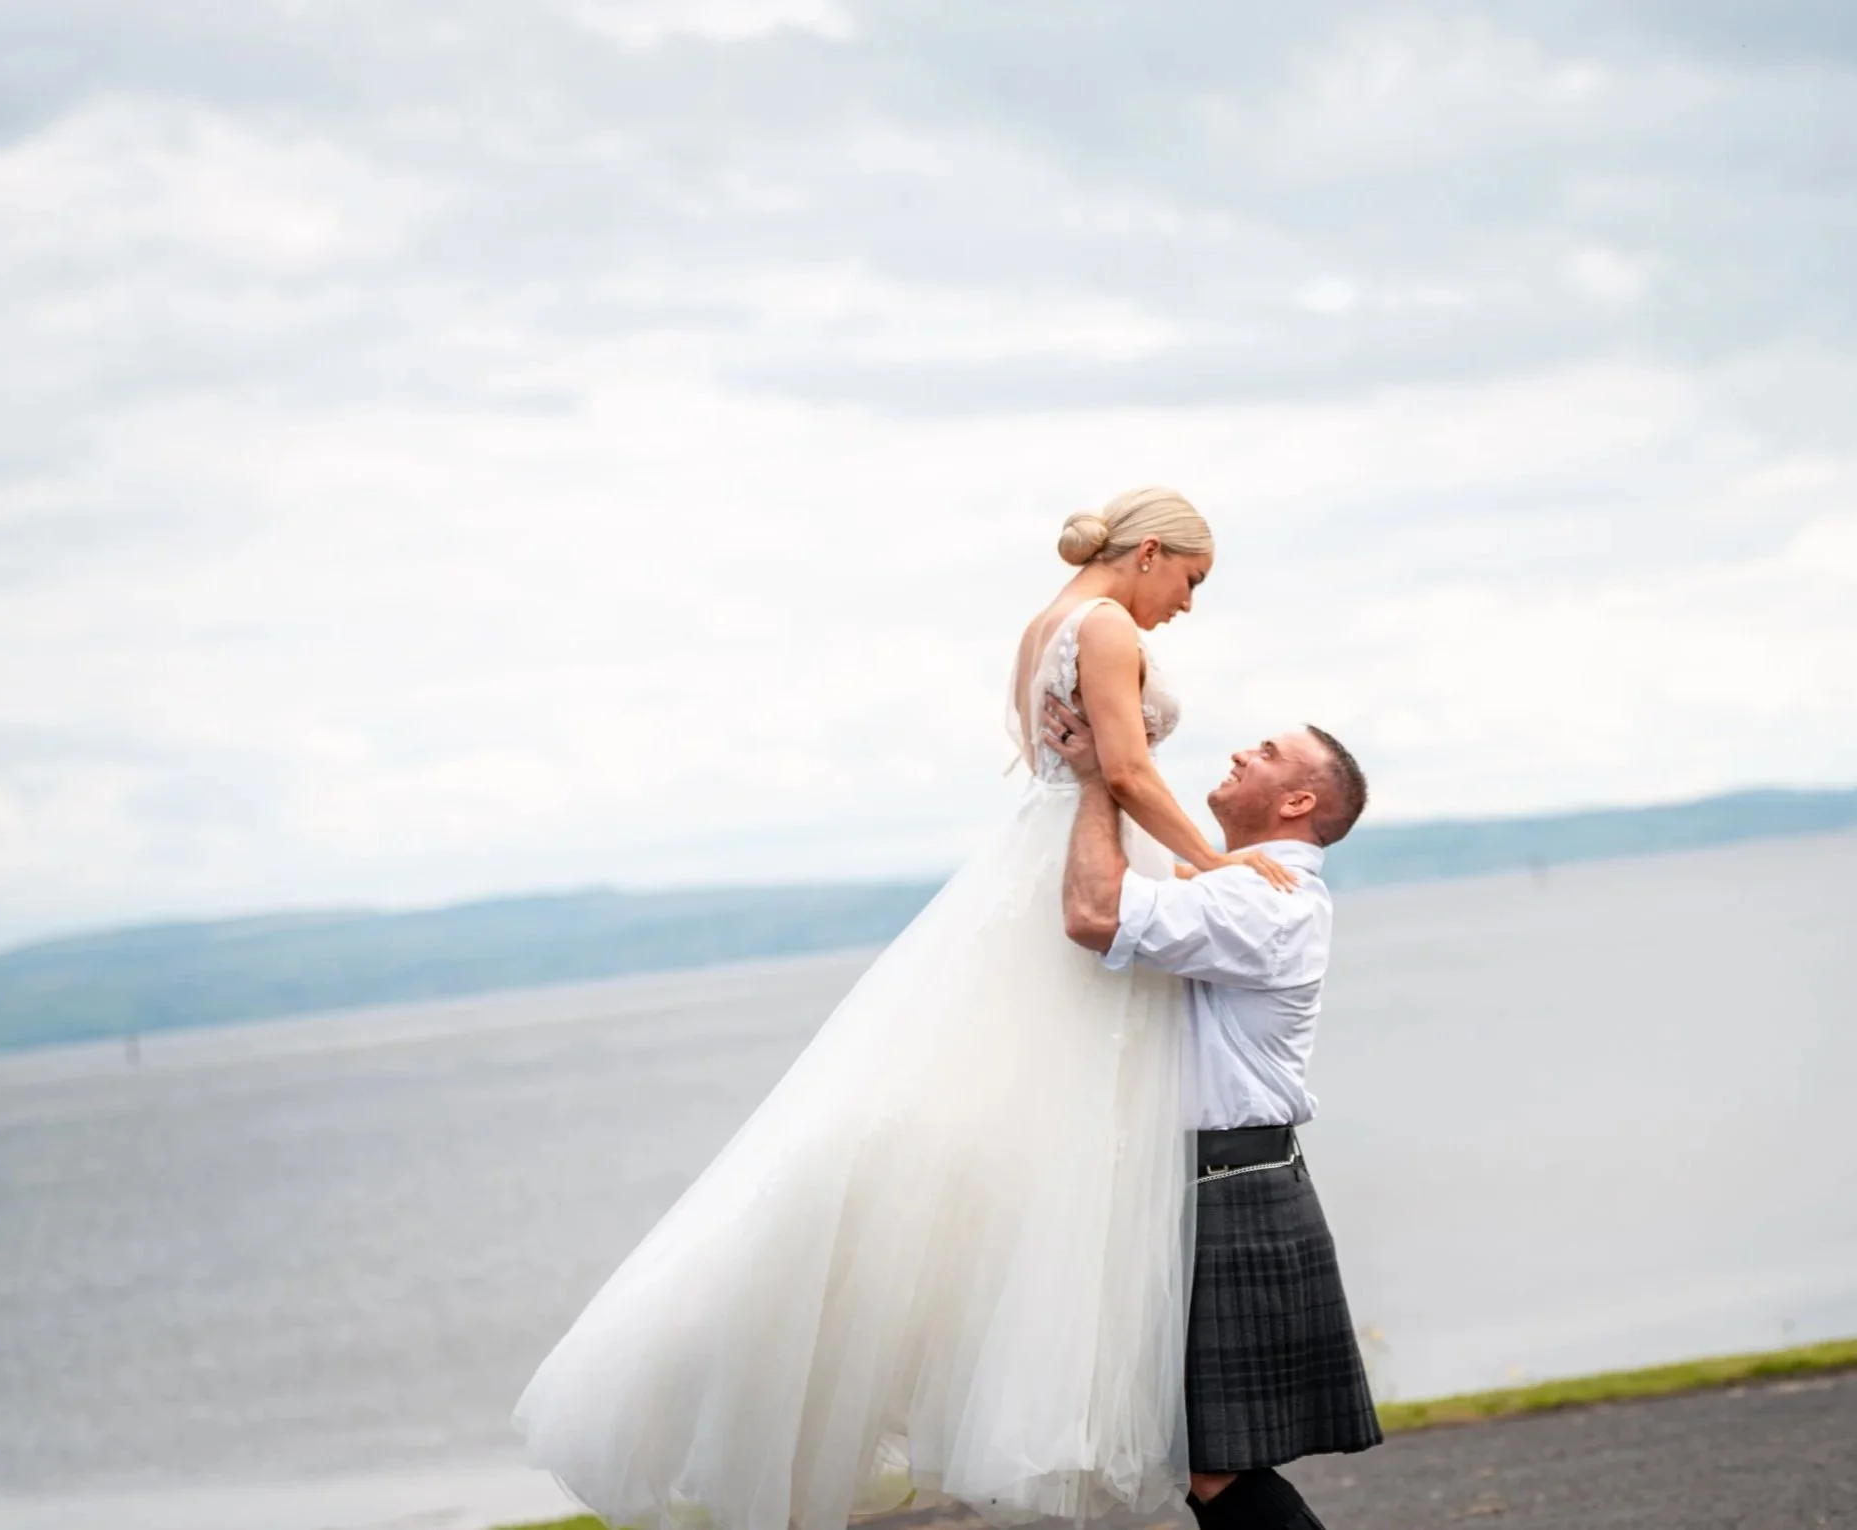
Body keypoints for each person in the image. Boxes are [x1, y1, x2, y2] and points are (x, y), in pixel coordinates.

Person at [514, 488, 1289, 1530]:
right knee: (1075, 1140)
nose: (1187, 608)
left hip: (1035, 858)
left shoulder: (1040, 627)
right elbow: (1126, 767)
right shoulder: (1103, 625)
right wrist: (1213, 864)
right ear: (1152, 553)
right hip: (1087, 860)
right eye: (1191, 582)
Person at [1042, 694, 1383, 1530]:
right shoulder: (1232, 890)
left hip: (1230, 1188)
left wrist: (1096, 781)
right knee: (1199, 1461)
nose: (1239, 754)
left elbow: (1092, 913)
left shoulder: (1265, 903)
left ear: (1298, 800)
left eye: (1265, 752)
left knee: (1210, 1464)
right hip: (1214, 1182)